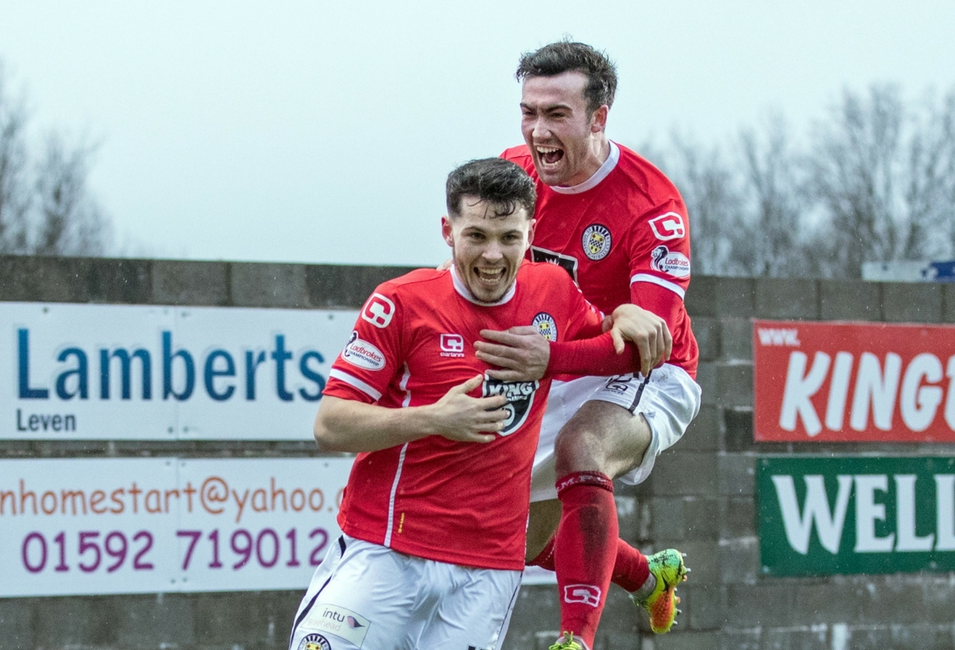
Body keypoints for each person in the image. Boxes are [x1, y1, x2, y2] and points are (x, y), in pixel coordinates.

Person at [287, 158, 666, 650]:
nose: (493, 255)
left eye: (509, 237)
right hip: (385, 551)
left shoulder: (553, 291)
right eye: (477, 235)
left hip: (487, 572)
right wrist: (434, 418)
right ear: (448, 231)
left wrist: (626, 314)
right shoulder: (401, 303)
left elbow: (613, 344)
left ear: (531, 232)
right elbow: (330, 425)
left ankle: (645, 581)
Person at [477, 41, 703, 650]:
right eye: (529, 112)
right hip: (559, 364)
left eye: (557, 115)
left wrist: (552, 357)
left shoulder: (653, 207)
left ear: (599, 118)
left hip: (651, 373)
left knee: (583, 447)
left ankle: (575, 641)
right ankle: (645, 575)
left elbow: (643, 348)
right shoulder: (511, 175)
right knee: (499, 534)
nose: (537, 132)